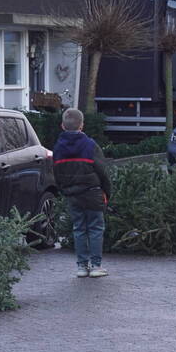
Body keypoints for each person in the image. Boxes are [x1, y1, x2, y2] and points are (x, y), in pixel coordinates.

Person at [53, 108, 112, 278]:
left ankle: (81, 266)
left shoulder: (58, 148)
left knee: (79, 228)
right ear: (82, 125)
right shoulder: (90, 146)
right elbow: (103, 172)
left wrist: (64, 190)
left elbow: (56, 172)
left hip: (73, 195)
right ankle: (96, 266)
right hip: (93, 193)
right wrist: (107, 193)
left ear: (62, 126)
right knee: (95, 228)